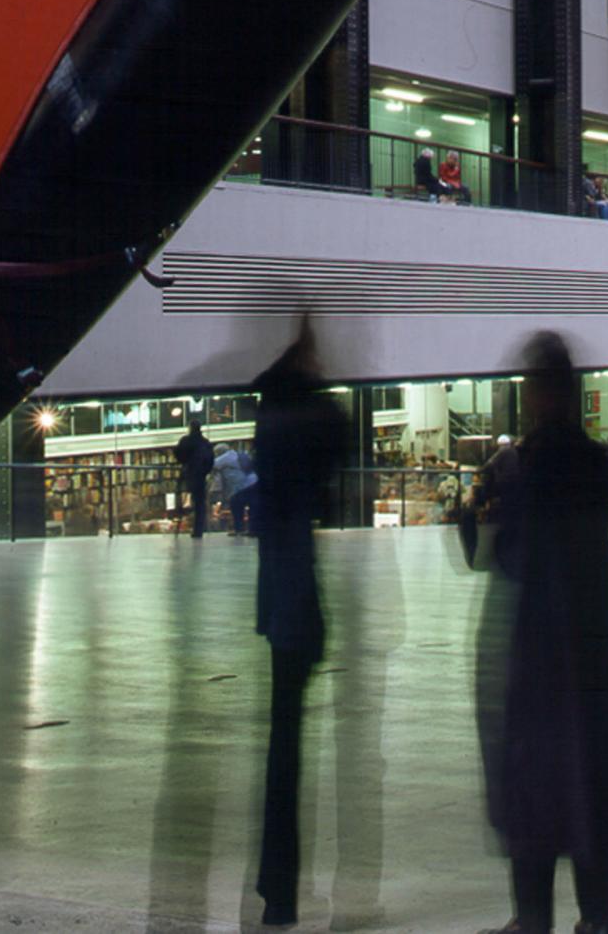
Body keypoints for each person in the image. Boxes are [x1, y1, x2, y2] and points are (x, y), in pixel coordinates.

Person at [469, 331, 608, 934]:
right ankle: (598, 920)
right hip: (589, 661)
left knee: (534, 793)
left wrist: (485, 510)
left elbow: (502, 555)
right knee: (590, 793)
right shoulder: (597, 465)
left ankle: (532, 920)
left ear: (540, 392)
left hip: (537, 660)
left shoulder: (526, 469)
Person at [253, 323, 348, 927]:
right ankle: (279, 889)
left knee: (283, 748)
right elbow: (336, 439)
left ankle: (276, 888)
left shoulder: (272, 421)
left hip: (281, 606)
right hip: (293, 607)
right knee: (285, 754)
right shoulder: (298, 423)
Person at [176, 416, 215, 540]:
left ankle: (179, 520)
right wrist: (205, 471)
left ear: (190, 428)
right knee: (200, 503)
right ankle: (198, 530)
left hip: (188, 472)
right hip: (201, 475)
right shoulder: (206, 442)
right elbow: (210, 460)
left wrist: (185, 463)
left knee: (181, 497)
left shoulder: (186, 440)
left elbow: (179, 454)